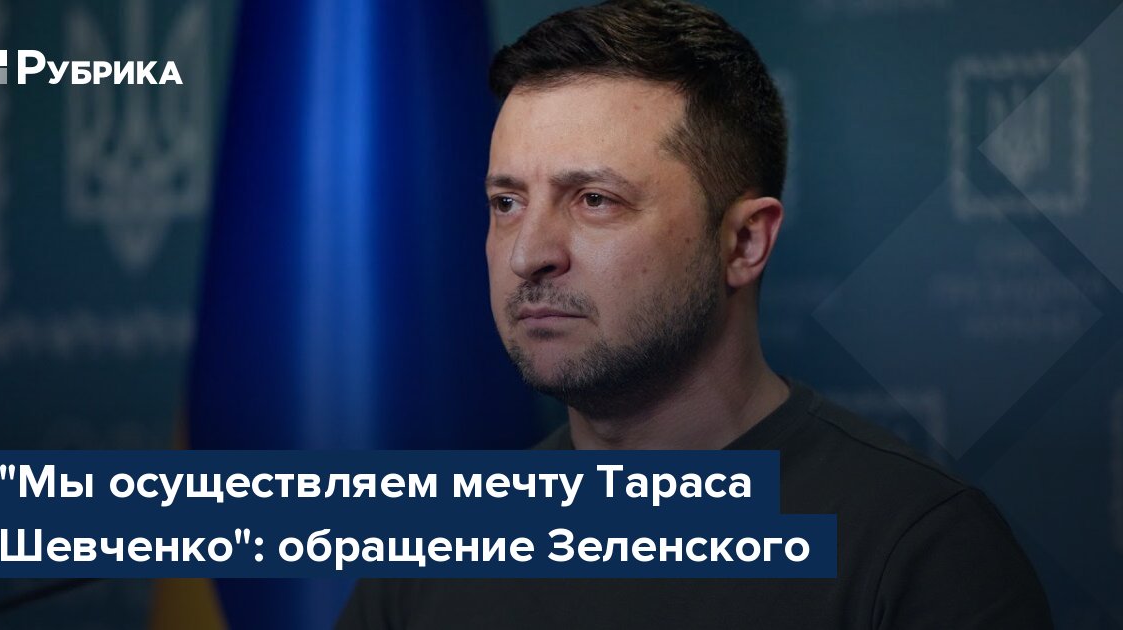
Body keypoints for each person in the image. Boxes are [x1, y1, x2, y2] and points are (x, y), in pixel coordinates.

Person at [339, 0, 1053, 627]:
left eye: (594, 200)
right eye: (506, 203)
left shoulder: (919, 552)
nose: (529, 254)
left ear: (744, 242)